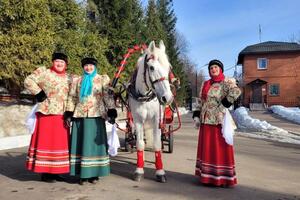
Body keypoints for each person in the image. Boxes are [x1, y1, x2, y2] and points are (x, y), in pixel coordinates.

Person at [65, 57, 117, 185]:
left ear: (95, 66)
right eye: (86, 66)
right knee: (81, 145)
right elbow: (72, 97)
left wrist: (111, 110)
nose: (88, 68)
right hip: (80, 116)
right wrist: (69, 112)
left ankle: (94, 174)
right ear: (83, 67)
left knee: (94, 147)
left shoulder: (102, 79)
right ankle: (82, 174)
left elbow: (107, 96)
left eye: (91, 66)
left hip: (96, 115)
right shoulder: (78, 80)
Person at [192, 59, 241, 187]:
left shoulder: (226, 81)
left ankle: (223, 178)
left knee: (220, 149)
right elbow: (199, 101)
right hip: (205, 121)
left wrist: (226, 102)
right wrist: (197, 115)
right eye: (211, 68)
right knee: (207, 149)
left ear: (220, 69)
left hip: (219, 121)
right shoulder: (206, 83)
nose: (213, 69)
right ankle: (208, 177)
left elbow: (236, 91)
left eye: (215, 67)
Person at [24, 52, 71, 182]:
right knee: (47, 143)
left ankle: (56, 171)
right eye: (57, 61)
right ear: (53, 62)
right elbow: (28, 80)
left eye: (62, 62)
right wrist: (39, 93)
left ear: (66, 64)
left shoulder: (69, 77)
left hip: (62, 115)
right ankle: (45, 173)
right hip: (47, 113)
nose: (59, 63)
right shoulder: (44, 72)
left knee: (59, 144)